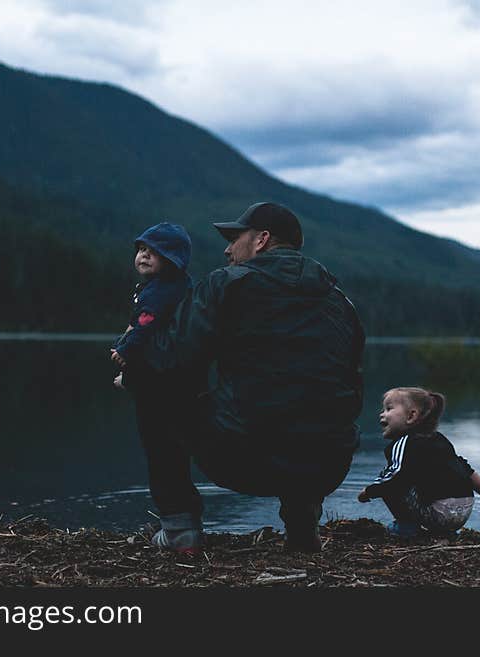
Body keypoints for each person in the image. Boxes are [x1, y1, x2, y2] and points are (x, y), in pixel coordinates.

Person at [123, 201, 365, 554]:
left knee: (151, 384)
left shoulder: (225, 284)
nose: (226, 248)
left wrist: (133, 351)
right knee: (313, 408)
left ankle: (179, 526)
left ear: (261, 240)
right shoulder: (340, 300)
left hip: (247, 457)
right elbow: (351, 380)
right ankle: (302, 527)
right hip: (330, 462)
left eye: (234, 237)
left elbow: (171, 359)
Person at [357, 386, 480, 538]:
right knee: (417, 478)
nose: (382, 414)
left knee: (392, 480)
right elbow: (466, 470)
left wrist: (369, 492)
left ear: (411, 416)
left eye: (388, 408)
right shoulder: (440, 439)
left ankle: (406, 527)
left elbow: (393, 478)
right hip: (463, 512)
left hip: (438, 513)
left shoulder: (404, 443)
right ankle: (446, 533)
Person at [110, 221, 193, 462]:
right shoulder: (164, 286)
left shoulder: (161, 290)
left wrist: (125, 349)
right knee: (167, 448)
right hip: (168, 365)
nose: (144, 255)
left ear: (171, 259)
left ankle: (131, 380)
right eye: (141, 250)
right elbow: (139, 322)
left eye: (153, 252)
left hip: (162, 366)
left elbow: (146, 323)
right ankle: (131, 379)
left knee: (160, 447)